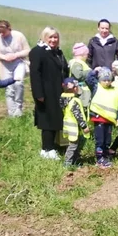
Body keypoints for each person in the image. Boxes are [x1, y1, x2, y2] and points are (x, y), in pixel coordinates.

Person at [29, 26, 69, 159]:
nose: (53, 40)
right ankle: (47, 148)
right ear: (44, 37)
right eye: (50, 37)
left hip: (57, 90)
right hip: (45, 91)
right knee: (47, 120)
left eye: (55, 37)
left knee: (55, 118)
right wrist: (38, 94)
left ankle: (52, 146)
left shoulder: (58, 52)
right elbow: (35, 74)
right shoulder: (37, 51)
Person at [0, 20, 31, 117]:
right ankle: (12, 113)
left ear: (9, 29)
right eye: (0, 32)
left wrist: (16, 55)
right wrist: (3, 57)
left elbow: (27, 50)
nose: (1, 34)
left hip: (18, 62)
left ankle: (19, 107)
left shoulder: (19, 36)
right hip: (5, 64)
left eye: (4, 32)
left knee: (18, 83)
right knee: (9, 88)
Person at [89, 67, 118, 168]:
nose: (107, 82)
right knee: (100, 140)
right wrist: (94, 71)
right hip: (99, 119)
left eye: (109, 80)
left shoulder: (114, 90)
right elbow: (89, 79)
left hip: (110, 120)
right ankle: (99, 159)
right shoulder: (96, 86)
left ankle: (105, 156)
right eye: (104, 80)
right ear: (100, 80)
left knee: (107, 140)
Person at [60, 78, 89, 168]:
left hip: (66, 125)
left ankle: (75, 161)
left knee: (70, 145)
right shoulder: (74, 101)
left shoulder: (62, 98)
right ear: (75, 88)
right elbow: (78, 115)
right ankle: (67, 163)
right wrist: (84, 127)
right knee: (73, 146)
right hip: (73, 127)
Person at [69, 42, 92, 109]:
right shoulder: (77, 64)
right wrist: (91, 72)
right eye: (86, 54)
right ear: (82, 54)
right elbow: (78, 75)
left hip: (83, 92)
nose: (87, 56)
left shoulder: (79, 63)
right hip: (80, 92)